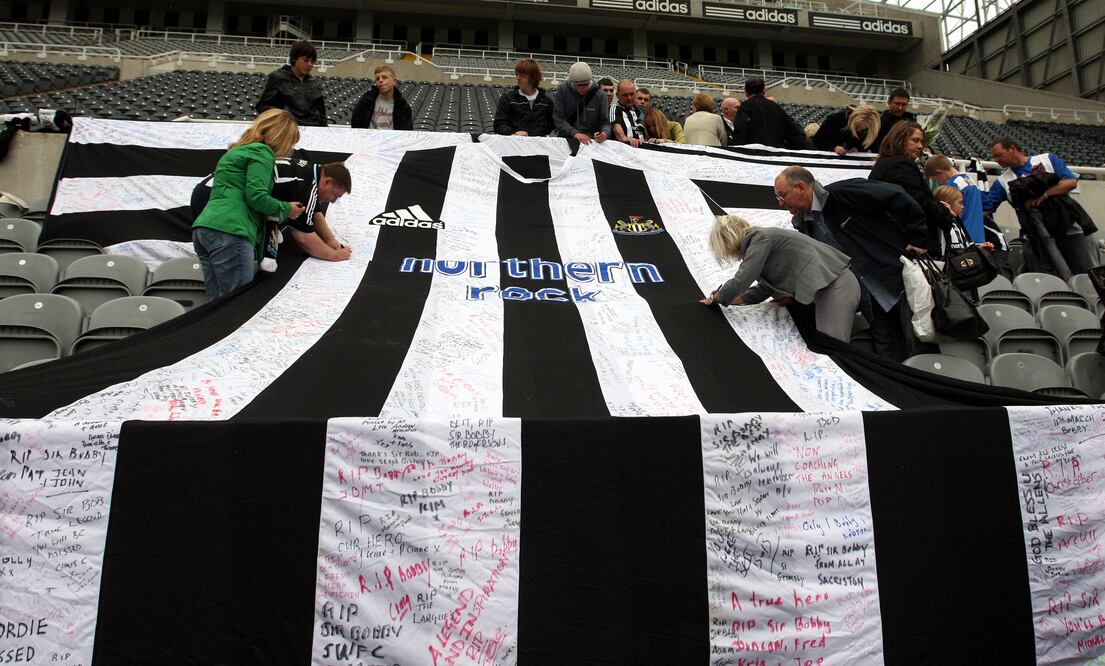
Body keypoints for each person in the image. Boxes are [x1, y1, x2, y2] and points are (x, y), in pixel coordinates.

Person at [776, 165, 929, 362]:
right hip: (870, 300)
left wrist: (918, 238)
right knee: (888, 357)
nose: (780, 203)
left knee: (920, 347)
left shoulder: (843, 193)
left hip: (899, 284)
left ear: (800, 187)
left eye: (782, 195)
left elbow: (896, 195)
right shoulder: (804, 224)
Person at [192, 109, 305, 301]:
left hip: (205, 228)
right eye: (291, 142)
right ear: (281, 136)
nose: (290, 149)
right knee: (235, 305)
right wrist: (287, 209)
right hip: (231, 230)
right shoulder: (262, 153)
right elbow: (256, 197)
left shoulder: (237, 151)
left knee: (213, 307)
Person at [699, 215, 860, 342]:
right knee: (828, 346)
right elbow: (765, 288)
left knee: (833, 347)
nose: (736, 258)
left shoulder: (760, 238)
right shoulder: (764, 243)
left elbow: (742, 279)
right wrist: (733, 299)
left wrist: (718, 297)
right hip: (831, 288)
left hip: (835, 286)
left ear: (729, 241)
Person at [984, 136, 1097, 277]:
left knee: (1088, 271)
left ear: (1012, 149)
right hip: (1034, 235)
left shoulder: (1046, 160)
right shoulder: (1002, 182)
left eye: (999, 155)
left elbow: (1070, 182)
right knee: (1048, 276)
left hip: (1068, 226)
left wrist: (1044, 195)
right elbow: (986, 209)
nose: (996, 160)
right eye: (994, 157)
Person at [868, 121, 955, 257]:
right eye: (915, 141)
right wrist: (943, 211)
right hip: (907, 245)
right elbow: (917, 201)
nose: (920, 146)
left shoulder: (885, 164)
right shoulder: (900, 165)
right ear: (900, 140)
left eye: (922, 142)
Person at [265, 160, 353, 266]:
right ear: (327, 182)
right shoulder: (306, 188)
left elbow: (314, 212)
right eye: (335, 195)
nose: (333, 201)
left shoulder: (309, 171)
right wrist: (335, 255)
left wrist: (330, 240)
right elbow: (304, 238)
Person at [255, 40, 328, 127]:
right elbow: (262, 106)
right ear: (294, 58)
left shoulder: (315, 83)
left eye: (312, 62)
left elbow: (322, 114)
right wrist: (282, 117)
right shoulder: (278, 78)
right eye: (306, 60)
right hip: (286, 129)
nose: (309, 64)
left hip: (313, 129)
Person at [731, 76, 805, 149]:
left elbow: (739, 134)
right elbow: (795, 134)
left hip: (753, 155)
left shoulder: (745, 107)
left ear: (746, 92)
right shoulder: (777, 108)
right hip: (774, 156)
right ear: (764, 90)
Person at [551, 62, 610, 145]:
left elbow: (605, 122)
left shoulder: (600, 94)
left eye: (585, 84)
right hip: (567, 139)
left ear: (590, 81)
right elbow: (558, 118)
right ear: (572, 82)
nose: (582, 88)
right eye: (578, 85)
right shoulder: (562, 90)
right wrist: (574, 133)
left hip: (591, 142)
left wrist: (604, 133)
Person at [493, 58, 554, 137]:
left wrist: (540, 131)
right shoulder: (508, 99)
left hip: (538, 145)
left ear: (533, 78)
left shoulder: (546, 101)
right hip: (515, 144)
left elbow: (552, 122)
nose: (517, 78)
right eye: (517, 75)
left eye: (522, 76)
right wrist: (514, 133)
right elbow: (499, 124)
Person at [351, 65, 412, 130]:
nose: (380, 80)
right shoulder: (366, 100)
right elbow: (356, 124)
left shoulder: (402, 105)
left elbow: (407, 130)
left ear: (394, 81)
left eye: (384, 77)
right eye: (377, 78)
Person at [811, 104, 880, 155]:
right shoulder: (835, 119)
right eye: (857, 126)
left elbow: (873, 145)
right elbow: (818, 139)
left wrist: (858, 149)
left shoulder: (871, 130)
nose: (858, 130)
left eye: (864, 129)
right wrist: (834, 147)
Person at [870, 87, 916, 153]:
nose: (900, 108)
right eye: (897, 104)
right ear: (889, 103)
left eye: (904, 104)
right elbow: (875, 145)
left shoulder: (911, 119)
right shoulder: (879, 120)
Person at [610, 79, 646, 147]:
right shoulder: (615, 109)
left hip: (643, 148)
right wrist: (625, 139)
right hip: (626, 148)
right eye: (625, 95)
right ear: (617, 95)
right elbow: (615, 126)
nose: (629, 98)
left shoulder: (641, 111)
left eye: (632, 94)